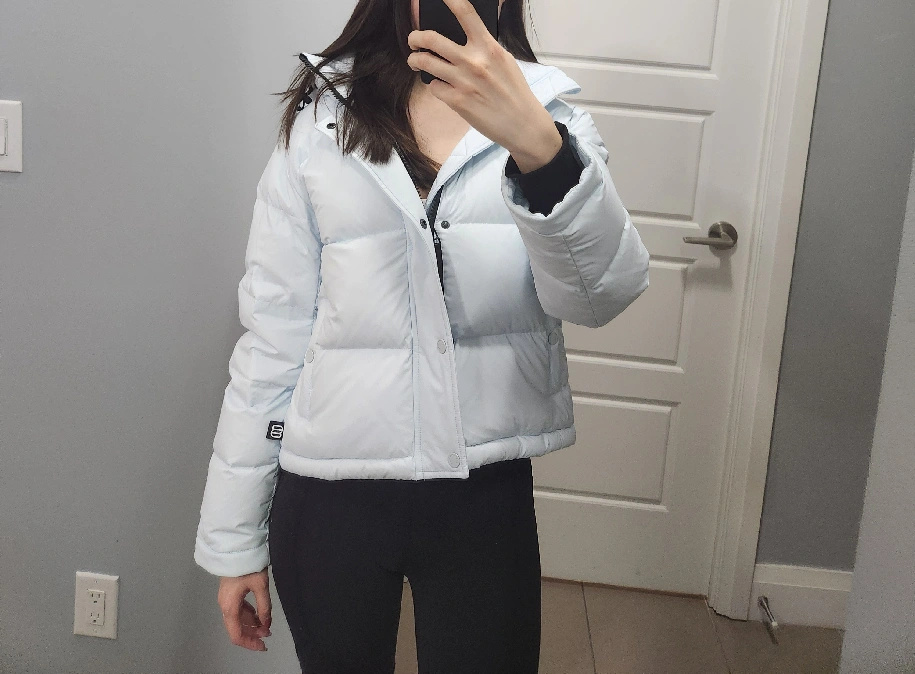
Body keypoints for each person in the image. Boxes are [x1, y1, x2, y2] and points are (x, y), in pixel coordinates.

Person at [193, 0, 650, 670]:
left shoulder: (550, 117)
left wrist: (540, 150)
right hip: (328, 495)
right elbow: (272, 338)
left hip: (482, 492)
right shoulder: (323, 118)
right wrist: (235, 541)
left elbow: (597, 296)